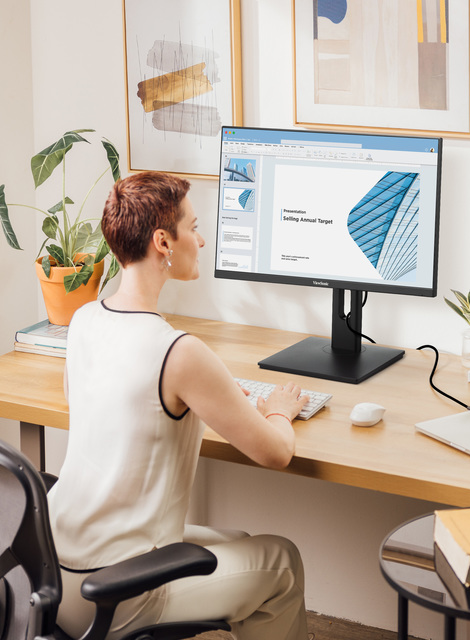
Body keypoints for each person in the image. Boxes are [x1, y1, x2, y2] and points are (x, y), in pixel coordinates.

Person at [47, 171, 310, 640]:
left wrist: (210, 394)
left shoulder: (84, 319)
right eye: (193, 227)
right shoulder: (179, 350)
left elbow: (95, 401)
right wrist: (277, 411)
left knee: (243, 545)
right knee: (282, 562)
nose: (202, 239)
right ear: (163, 242)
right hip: (113, 592)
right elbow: (276, 452)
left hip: (51, 570)